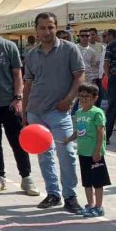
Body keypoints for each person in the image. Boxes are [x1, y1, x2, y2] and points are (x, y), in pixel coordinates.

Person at [23, 12, 85, 214]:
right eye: (42, 28)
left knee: (67, 154)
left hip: (59, 111)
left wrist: (68, 100)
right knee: (44, 155)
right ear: (36, 30)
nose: (47, 31)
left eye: (50, 27)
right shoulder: (31, 54)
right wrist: (24, 114)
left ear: (56, 27)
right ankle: (53, 194)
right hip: (36, 112)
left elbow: (79, 77)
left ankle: (70, 196)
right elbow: (28, 86)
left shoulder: (69, 49)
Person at [0, 11, 38, 196]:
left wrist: (18, 98)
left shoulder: (9, 46)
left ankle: (26, 178)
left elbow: (17, 74)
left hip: (10, 103)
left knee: (18, 142)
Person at [65, 83, 110, 218]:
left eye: (87, 96)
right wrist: (69, 139)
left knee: (98, 182)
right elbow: (79, 131)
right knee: (87, 181)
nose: (83, 99)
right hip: (83, 153)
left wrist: (97, 151)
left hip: (94, 154)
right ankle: (90, 205)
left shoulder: (97, 113)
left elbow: (101, 133)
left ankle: (99, 207)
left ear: (95, 98)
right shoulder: (79, 113)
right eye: (81, 96)